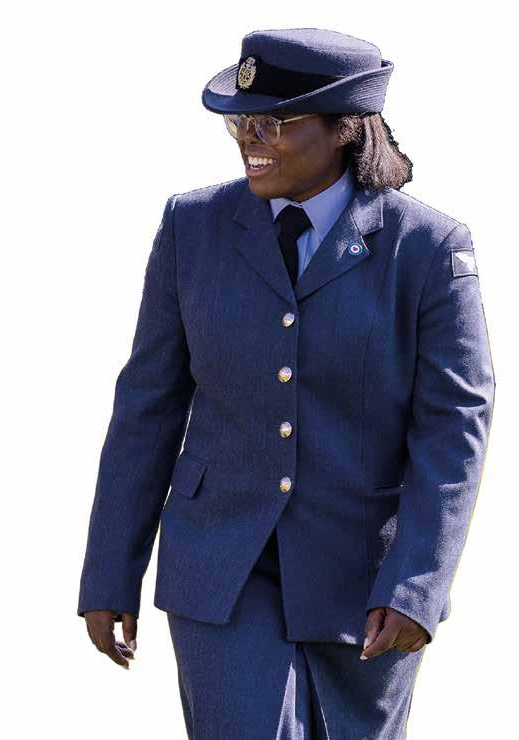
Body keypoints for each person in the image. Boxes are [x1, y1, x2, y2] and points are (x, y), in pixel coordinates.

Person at [77, 28, 496, 738]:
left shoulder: (428, 249)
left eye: (274, 122)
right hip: (219, 565)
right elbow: (147, 406)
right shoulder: (191, 226)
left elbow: (453, 428)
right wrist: (110, 571)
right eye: (241, 122)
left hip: (363, 577)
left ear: (343, 129)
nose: (250, 138)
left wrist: (417, 584)